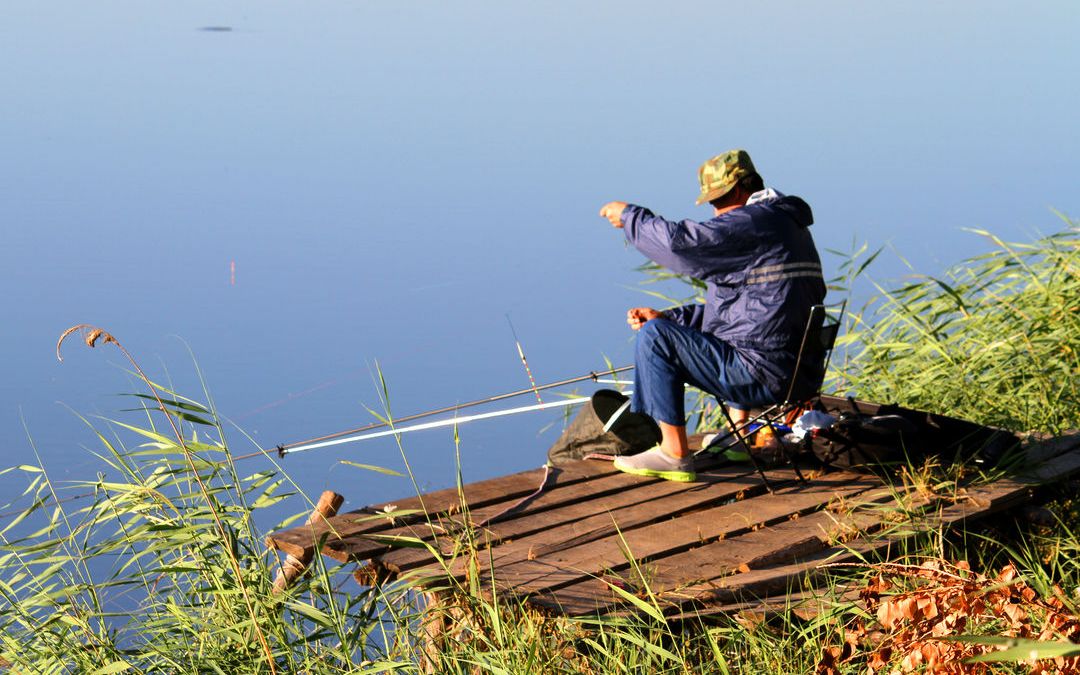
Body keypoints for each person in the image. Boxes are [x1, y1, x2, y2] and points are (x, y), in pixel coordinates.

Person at [599, 149, 825, 482]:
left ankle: (674, 454)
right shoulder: (787, 226)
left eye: (718, 201)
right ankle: (741, 435)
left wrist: (632, 218)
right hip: (798, 375)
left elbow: (681, 245)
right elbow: (748, 311)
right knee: (666, 328)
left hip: (762, 375)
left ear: (738, 190)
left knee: (654, 337)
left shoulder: (754, 222)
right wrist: (671, 317)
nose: (716, 212)